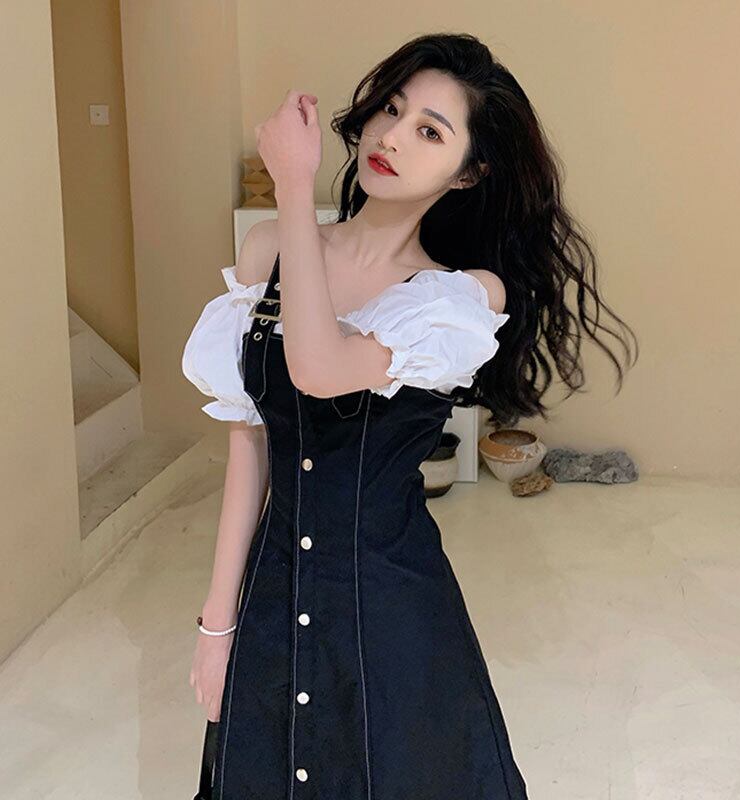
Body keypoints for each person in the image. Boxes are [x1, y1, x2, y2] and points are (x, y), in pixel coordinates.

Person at [182, 31, 637, 800]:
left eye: (431, 130)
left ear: (468, 173)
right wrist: (216, 627)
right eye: (391, 110)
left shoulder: (458, 299)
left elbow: (320, 370)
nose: (392, 136)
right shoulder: (265, 254)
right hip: (271, 591)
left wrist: (293, 187)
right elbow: (249, 451)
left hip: (392, 613)